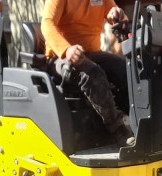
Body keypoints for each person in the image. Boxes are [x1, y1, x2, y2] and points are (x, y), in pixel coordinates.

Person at [41, 0, 133, 145]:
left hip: (91, 53)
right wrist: (67, 49)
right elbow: (47, 24)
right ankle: (116, 129)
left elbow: (116, 15)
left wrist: (117, 14)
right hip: (61, 57)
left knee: (126, 69)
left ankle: (135, 121)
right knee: (93, 74)